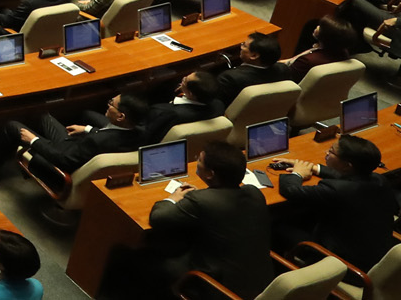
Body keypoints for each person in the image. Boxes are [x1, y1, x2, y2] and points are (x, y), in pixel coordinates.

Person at [130, 143, 272, 299]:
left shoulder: (200, 200)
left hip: (220, 287)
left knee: (146, 256)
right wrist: (202, 197)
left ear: (210, 174)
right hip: (260, 282)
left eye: (199, 159)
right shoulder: (254, 193)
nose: (196, 160)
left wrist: (173, 198)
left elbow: (157, 218)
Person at [273, 133, 394, 270]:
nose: (326, 153)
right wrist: (313, 167)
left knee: (276, 225)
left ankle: (280, 270)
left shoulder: (336, 190)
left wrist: (298, 173)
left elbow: (290, 190)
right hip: (372, 255)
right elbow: (350, 179)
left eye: (331, 152)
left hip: (343, 264)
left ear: (347, 165)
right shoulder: (379, 180)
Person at [9, 92, 148, 176]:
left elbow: (63, 161)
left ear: (120, 117)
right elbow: (110, 137)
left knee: (13, 126)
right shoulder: (140, 133)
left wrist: (34, 141)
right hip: (74, 150)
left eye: (112, 104)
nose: (108, 105)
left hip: (62, 159)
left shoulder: (96, 141)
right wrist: (87, 129)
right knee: (43, 116)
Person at [142, 70, 221, 143]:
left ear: (190, 94)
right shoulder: (219, 106)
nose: (183, 78)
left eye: (185, 80)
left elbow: (149, 136)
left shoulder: (169, 114)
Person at [216, 32, 292, 102]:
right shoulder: (283, 70)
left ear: (254, 56)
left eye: (244, 45)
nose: (241, 47)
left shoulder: (229, 78)